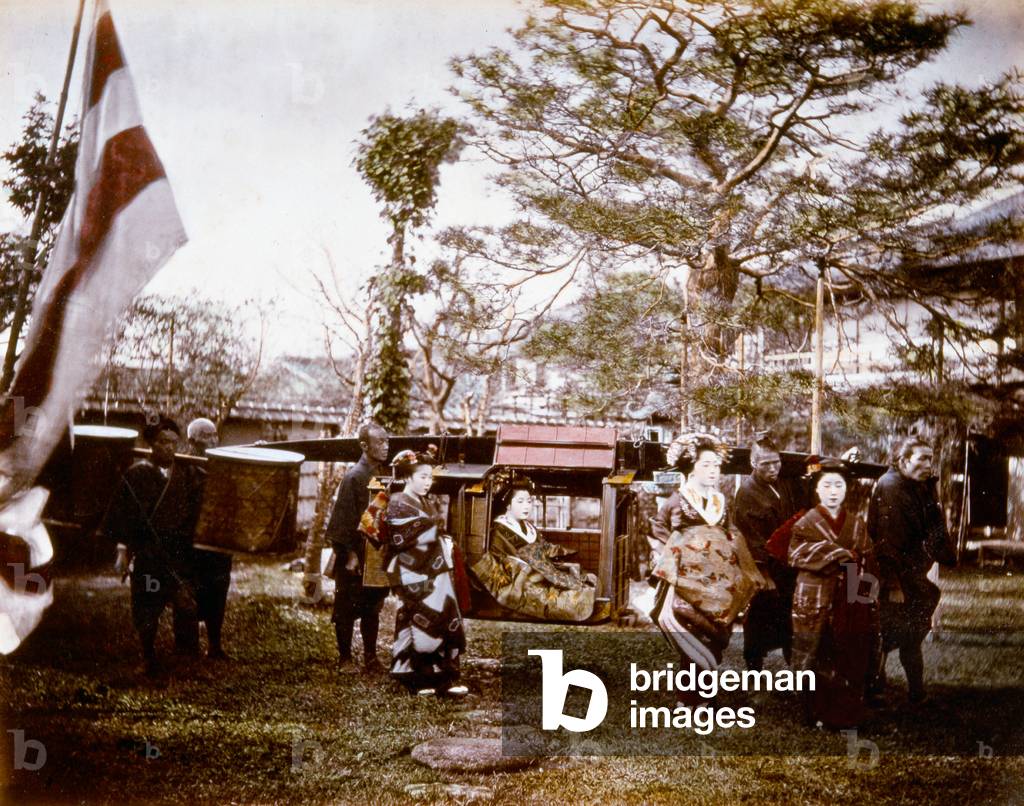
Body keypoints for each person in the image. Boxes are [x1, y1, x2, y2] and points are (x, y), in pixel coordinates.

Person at [649, 433, 765, 706]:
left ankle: (704, 696)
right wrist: (677, 551)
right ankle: (687, 699)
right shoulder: (678, 501)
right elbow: (657, 528)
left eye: (716, 465)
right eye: (707, 465)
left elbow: (731, 533)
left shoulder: (720, 502)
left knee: (714, 634)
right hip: (687, 583)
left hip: (717, 584)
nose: (713, 471)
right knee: (692, 631)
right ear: (692, 468)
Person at [106, 416, 203, 676]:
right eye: (162, 442)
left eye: (173, 442)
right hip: (148, 553)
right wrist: (123, 551)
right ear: (151, 444)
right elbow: (121, 516)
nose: (168, 448)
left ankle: (186, 657)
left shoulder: (187, 474)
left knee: (185, 602)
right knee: (147, 603)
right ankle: (148, 656)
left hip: (179, 553)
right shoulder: (136, 475)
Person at [789, 459, 881, 729]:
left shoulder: (856, 524)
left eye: (838, 485)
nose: (833, 491)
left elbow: (868, 559)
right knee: (819, 651)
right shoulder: (806, 522)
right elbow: (795, 554)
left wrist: (864, 598)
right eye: (826, 485)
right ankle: (817, 712)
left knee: (848, 651)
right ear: (817, 489)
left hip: (849, 597)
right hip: (817, 594)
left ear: (846, 490)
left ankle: (844, 712)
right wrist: (838, 554)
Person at [867, 437, 955, 705]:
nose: (928, 464)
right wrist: (893, 585)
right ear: (904, 461)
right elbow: (886, 541)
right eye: (922, 459)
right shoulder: (891, 487)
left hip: (911, 573)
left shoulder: (917, 486)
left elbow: (934, 526)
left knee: (911, 631)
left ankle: (914, 691)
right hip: (891, 575)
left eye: (930, 458)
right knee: (887, 632)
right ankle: (875, 687)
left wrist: (931, 489)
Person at [384, 446, 467, 696]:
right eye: (422, 477)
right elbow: (401, 536)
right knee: (422, 618)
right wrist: (435, 534)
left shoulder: (423, 502)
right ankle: (418, 679)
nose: (427, 483)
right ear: (407, 477)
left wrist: (439, 539)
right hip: (411, 570)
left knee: (443, 614)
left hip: (433, 568)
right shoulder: (398, 503)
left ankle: (444, 678)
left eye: (430, 477)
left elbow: (430, 531)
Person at [471, 477, 597, 621]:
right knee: (567, 600)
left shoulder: (529, 527)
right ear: (508, 505)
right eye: (520, 502)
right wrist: (535, 571)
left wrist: (560, 553)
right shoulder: (499, 531)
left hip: (541, 573)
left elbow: (543, 549)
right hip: (522, 580)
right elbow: (506, 563)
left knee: (582, 584)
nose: (526, 506)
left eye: (529, 501)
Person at [324, 422, 390, 674]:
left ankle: (371, 658)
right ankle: (345, 658)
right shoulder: (354, 477)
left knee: (372, 606)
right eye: (380, 442)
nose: (386, 446)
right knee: (346, 607)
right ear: (364, 446)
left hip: (374, 553)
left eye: (387, 441)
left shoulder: (383, 474)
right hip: (353, 552)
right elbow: (342, 520)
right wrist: (349, 554)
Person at [733, 433, 800, 670]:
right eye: (765, 464)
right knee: (759, 621)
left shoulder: (783, 484)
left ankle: (795, 669)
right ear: (753, 464)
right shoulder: (747, 492)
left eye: (776, 462)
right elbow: (750, 538)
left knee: (789, 620)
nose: (773, 468)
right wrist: (764, 574)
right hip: (764, 571)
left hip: (787, 568)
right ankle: (753, 667)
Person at [180, 417, 232, 660]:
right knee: (189, 594)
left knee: (218, 593)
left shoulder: (221, 465)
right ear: (192, 441)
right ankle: (188, 649)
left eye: (214, 435)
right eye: (206, 436)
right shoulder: (183, 468)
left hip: (218, 544)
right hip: (191, 545)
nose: (213, 440)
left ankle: (215, 646)